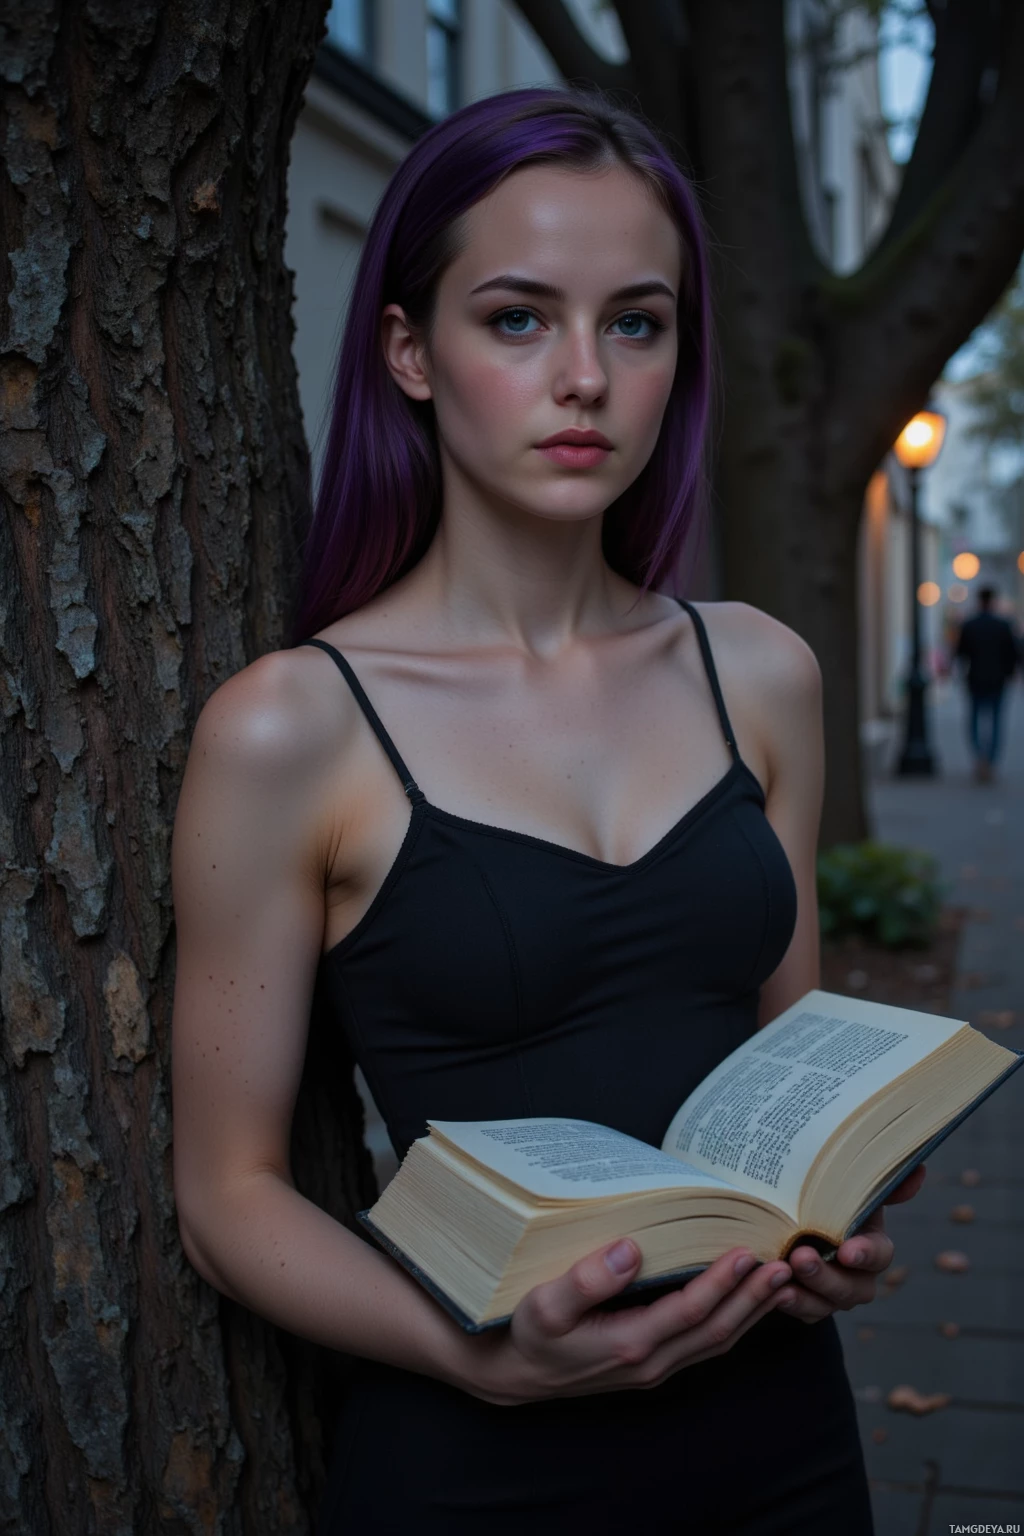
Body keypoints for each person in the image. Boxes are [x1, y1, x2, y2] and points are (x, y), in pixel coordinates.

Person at [170, 88, 924, 1533]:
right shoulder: (294, 726)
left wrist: (841, 1223)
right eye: (519, 318)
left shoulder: (760, 671)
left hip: (784, 1441)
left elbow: (793, 1077)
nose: (585, 375)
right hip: (478, 1459)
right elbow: (229, 1195)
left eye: (636, 323)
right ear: (409, 350)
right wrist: (486, 1359)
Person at [955, 585, 1020, 781]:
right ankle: (990, 760)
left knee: (975, 719)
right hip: (998, 680)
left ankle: (980, 756)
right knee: (996, 721)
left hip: (976, 678)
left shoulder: (970, 624)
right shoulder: (1003, 624)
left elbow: (960, 653)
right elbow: (1014, 653)